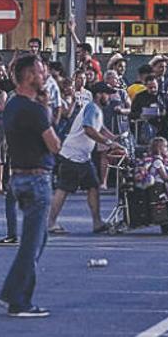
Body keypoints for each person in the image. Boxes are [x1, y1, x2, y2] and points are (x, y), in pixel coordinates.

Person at [0, 54, 61, 318]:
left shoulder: (13, 104)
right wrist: (45, 109)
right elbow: (54, 144)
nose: (44, 75)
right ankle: (17, 299)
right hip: (36, 177)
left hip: (19, 176)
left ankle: (14, 293)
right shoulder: (33, 110)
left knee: (37, 239)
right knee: (32, 243)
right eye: (40, 71)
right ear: (28, 76)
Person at [49, 82, 123, 235]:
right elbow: (89, 129)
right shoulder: (92, 108)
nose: (109, 97)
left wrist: (115, 138)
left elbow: (100, 128)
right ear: (98, 95)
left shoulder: (96, 110)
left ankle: (97, 222)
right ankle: (51, 223)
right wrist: (109, 143)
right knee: (63, 189)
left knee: (93, 186)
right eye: (106, 94)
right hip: (73, 155)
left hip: (82, 156)